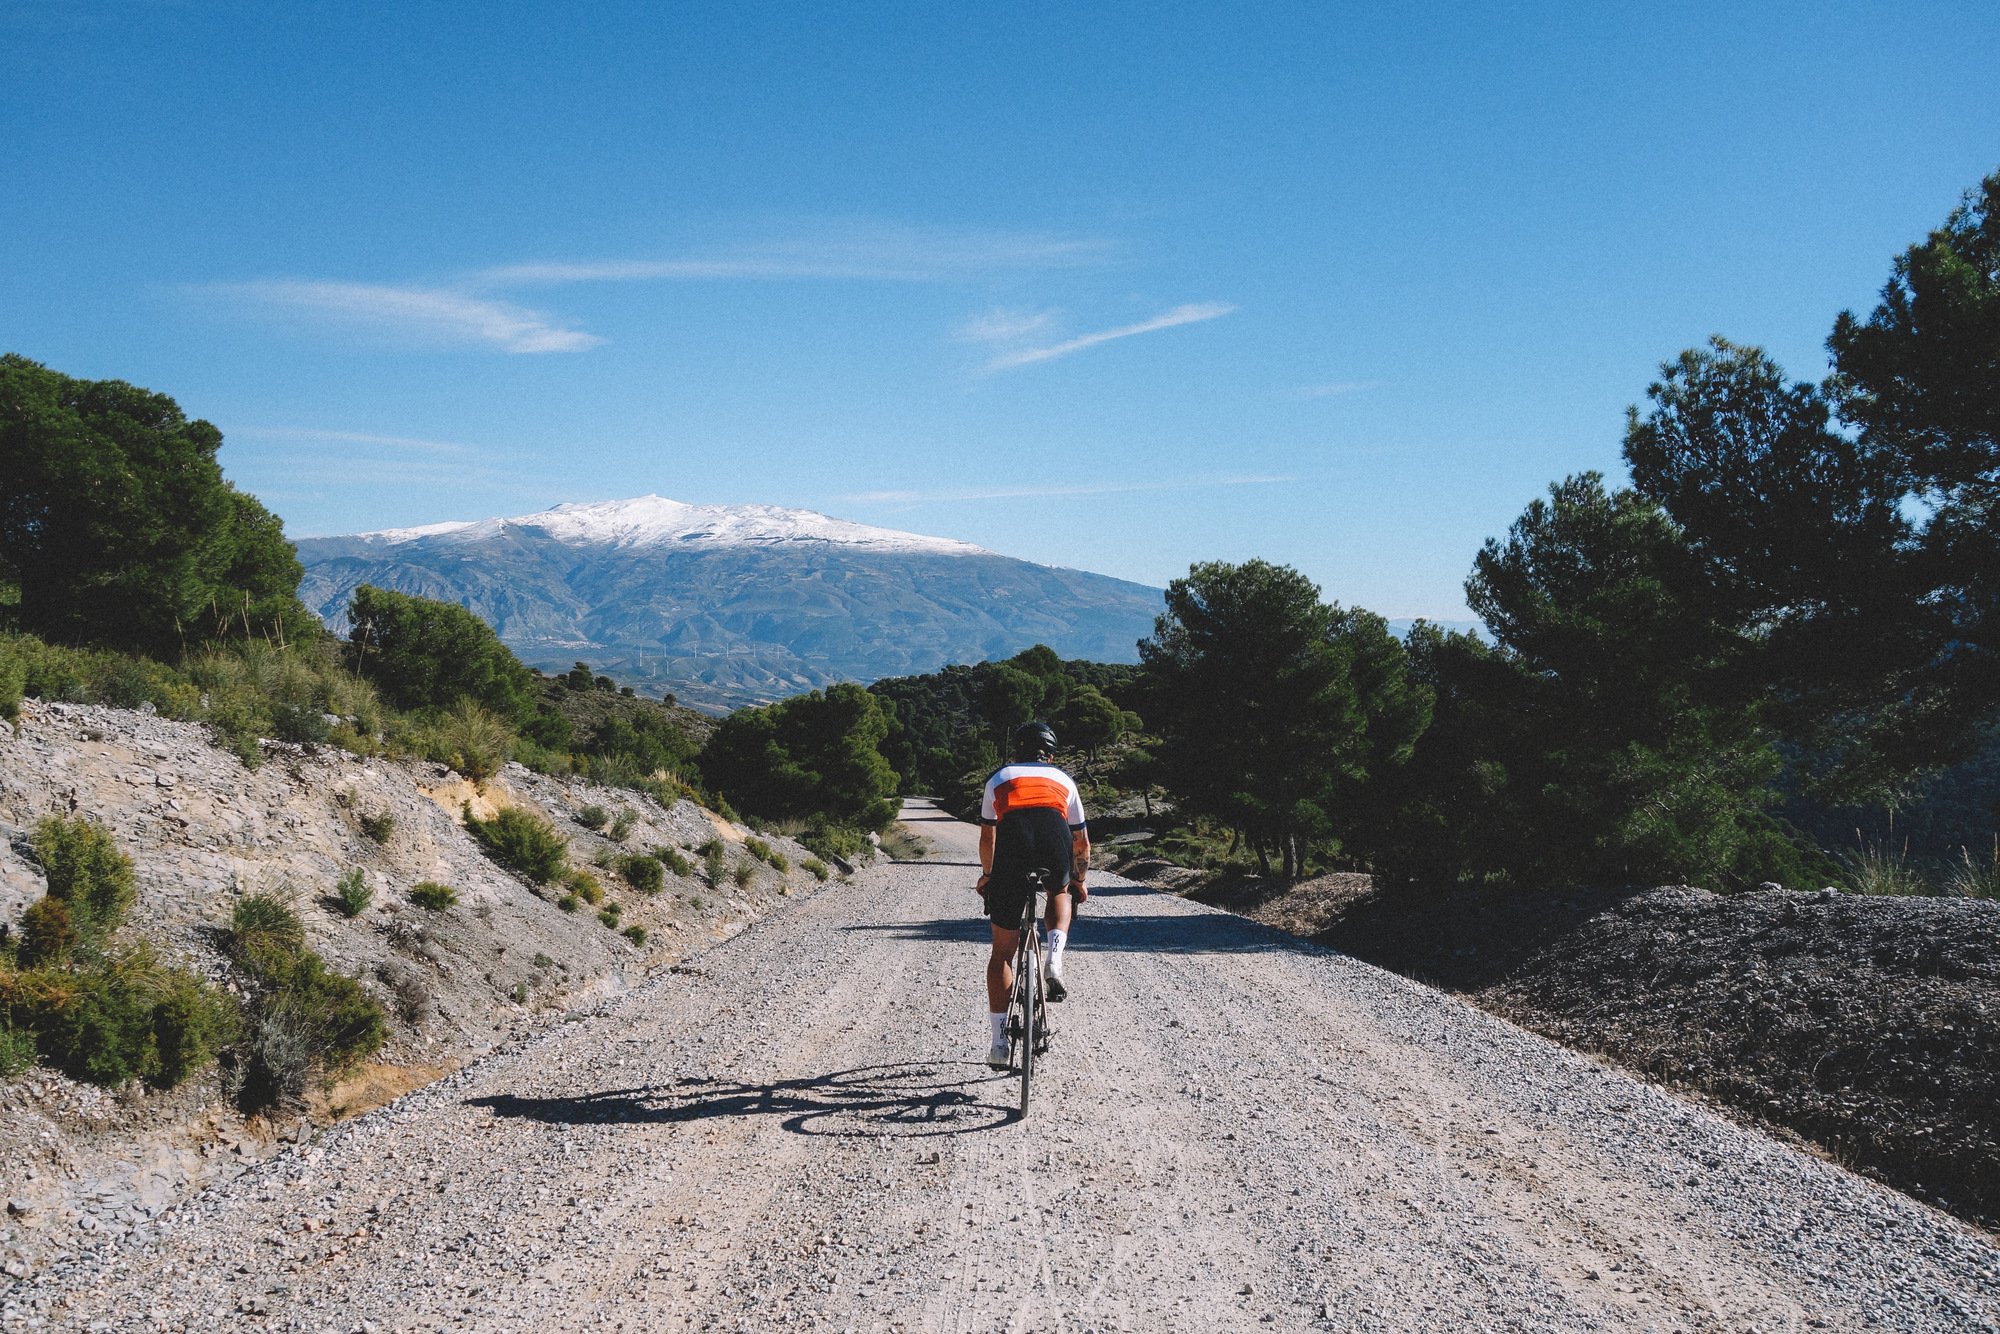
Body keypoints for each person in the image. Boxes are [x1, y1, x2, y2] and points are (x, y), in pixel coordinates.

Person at [976, 720, 1090, 1069]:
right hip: (1054, 840)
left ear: (1018, 750)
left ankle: (998, 1043)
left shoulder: (999, 777)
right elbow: (1081, 843)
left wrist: (988, 876)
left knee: (1002, 955)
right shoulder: (1064, 779)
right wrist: (1079, 881)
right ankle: (1054, 960)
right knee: (1060, 890)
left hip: (1013, 848)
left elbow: (988, 838)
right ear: (1050, 753)